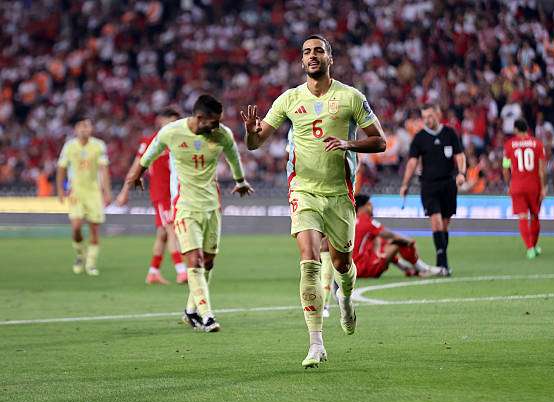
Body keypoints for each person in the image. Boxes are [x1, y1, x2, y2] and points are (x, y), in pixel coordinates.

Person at [241, 34, 386, 368]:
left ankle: (345, 298)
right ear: (301, 60)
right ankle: (316, 343)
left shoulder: (351, 97)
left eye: (318, 50)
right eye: (307, 52)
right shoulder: (290, 99)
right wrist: (250, 131)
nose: (312, 55)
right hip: (303, 190)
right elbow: (255, 143)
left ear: (329, 58)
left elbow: (380, 142)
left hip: (339, 194)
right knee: (309, 259)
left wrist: (349, 145)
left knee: (342, 264)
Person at [124, 94, 253, 332]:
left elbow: (233, 155)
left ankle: (191, 310)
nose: (217, 126)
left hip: (212, 206)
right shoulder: (171, 132)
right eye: (212, 122)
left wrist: (240, 180)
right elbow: (148, 154)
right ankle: (207, 316)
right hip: (184, 206)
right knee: (194, 261)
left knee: (209, 261)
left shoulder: (222, 134)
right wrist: (135, 176)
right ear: (199, 117)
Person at [116, 107, 188, 285]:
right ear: (160, 120)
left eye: (176, 121)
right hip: (161, 194)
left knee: (163, 234)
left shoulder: (177, 141)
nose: (173, 124)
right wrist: (125, 191)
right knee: (172, 229)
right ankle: (181, 271)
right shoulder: (152, 141)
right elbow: (137, 166)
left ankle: (153, 272)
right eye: (170, 120)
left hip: (174, 193)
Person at [399, 104, 466, 274]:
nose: (427, 120)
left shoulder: (450, 133)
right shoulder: (420, 137)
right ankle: (443, 262)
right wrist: (405, 184)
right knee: (435, 221)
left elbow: (460, 155)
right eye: (424, 117)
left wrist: (461, 173)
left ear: (438, 114)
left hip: (449, 184)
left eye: (430, 116)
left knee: (444, 224)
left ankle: (441, 260)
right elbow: (412, 162)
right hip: (429, 185)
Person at [56, 114, 112, 276]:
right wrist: (60, 190)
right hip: (76, 192)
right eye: (81, 126)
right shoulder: (69, 147)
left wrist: (107, 192)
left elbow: (104, 170)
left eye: (87, 126)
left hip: (94, 192)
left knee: (94, 229)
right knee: (76, 227)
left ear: (91, 129)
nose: (84, 129)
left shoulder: (99, 146)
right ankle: (80, 254)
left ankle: (91, 263)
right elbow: (61, 168)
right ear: (75, 129)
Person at [502, 118, 546, 259]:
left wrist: (509, 184)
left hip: (517, 185)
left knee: (522, 217)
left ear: (515, 129)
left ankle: (529, 249)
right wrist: (543, 187)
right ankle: (533, 246)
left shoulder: (509, 145)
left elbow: (505, 168)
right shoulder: (538, 144)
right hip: (534, 185)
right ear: (526, 129)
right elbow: (542, 170)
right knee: (534, 216)